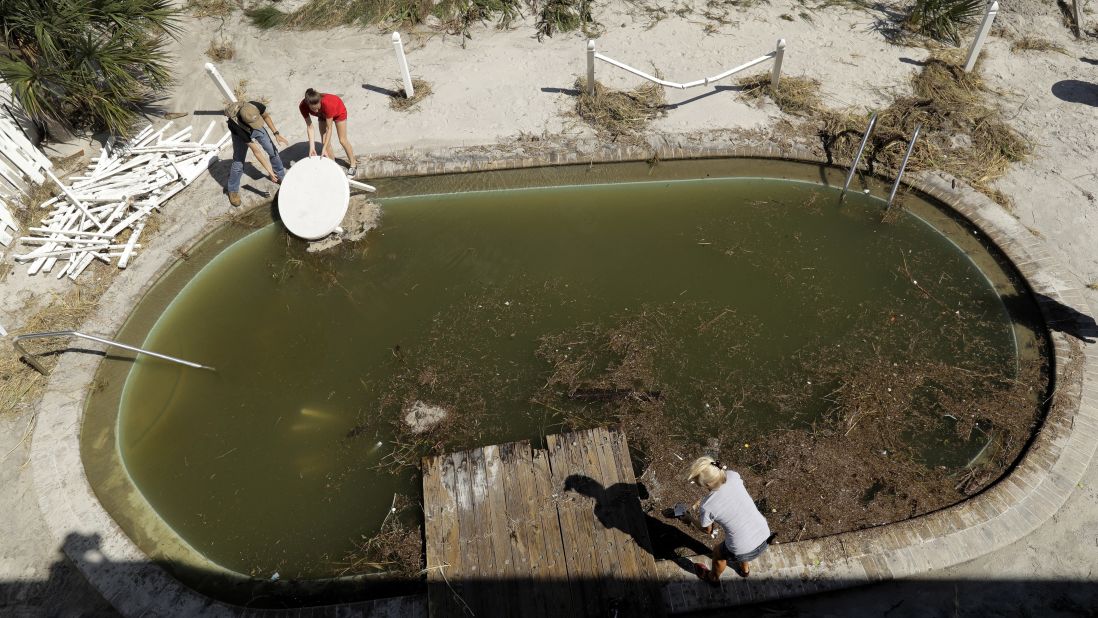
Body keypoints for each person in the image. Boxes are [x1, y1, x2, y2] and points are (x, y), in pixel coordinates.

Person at [685, 456, 773, 582]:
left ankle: (712, 578)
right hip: (764, 534)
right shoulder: (733, 475)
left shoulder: (707, 505)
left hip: (743, 548)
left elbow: (707, 531)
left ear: (708, 484)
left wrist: (689, 518)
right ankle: (745, 570)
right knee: (743, 534)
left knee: (717, 553)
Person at [224, 100, 288, 207]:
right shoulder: (236, 126)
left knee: (272, 150)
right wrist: (269, 171)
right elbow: (256, 152)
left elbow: (266, 117)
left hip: (253, 125)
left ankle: (280, 176)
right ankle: (232, 190)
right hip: (240, 133)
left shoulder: (255, 106)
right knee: (238, 162)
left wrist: (276, 133)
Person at [298, 88, 356, 177]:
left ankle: (353, 164)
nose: (316, 111)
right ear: (308, 104)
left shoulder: (328, 104)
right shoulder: (303, 106)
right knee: (325, 142)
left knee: (342, 140)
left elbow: (329, 129)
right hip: (323, 115)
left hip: (338, 111)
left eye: (318, 108)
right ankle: (333, 165)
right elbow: (310, 127)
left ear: (320, 101)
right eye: (313, 109)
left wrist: (323, 148)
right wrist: (312, 147)